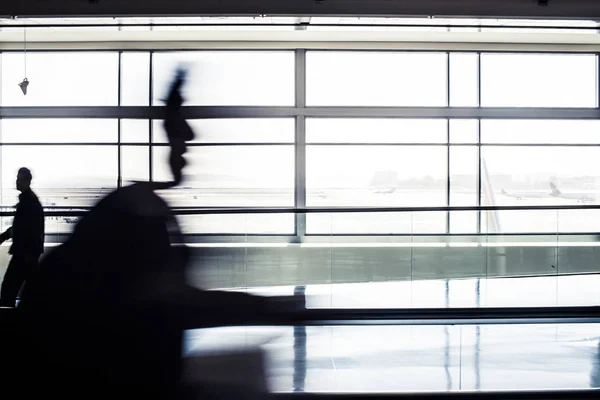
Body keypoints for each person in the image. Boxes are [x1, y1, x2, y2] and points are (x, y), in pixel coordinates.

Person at [16, 70, 302, 400]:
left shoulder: (130, 209)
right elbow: (170, 299)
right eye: (180, 130)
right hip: (98, 373)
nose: (190, 138)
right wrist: (262, 307)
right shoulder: (139, 216)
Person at [0, 167, 44, 307]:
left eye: (19, 179)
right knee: (32, 290)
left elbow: (21, 228)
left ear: (26, 181)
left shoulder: (27, 202)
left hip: (23, 253)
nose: (16, 181)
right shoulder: (30, 201)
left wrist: (4, 236)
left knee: (8, 290)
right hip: (29, 252)